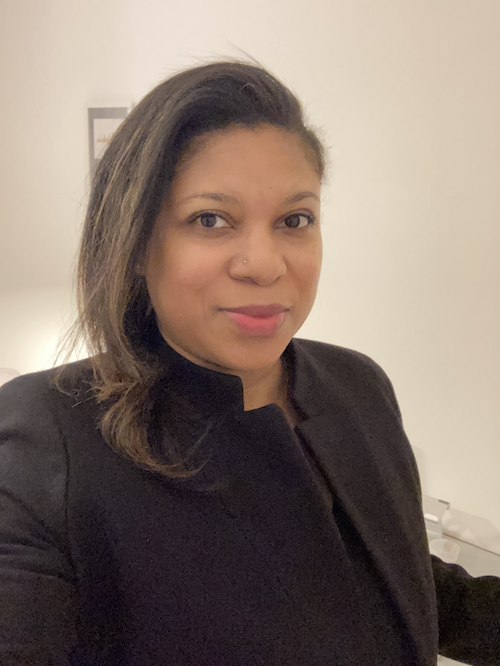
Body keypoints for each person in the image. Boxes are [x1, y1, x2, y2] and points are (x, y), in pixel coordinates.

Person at [0, 61, 498, 666]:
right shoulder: (46, 435)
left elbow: (401, 576)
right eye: (210, 220)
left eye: (294, 220)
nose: (264, 264)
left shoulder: (358, 384)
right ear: (133, 243)